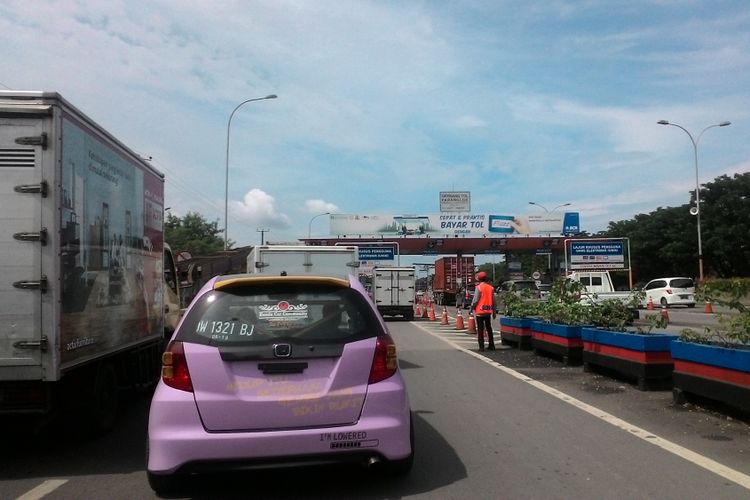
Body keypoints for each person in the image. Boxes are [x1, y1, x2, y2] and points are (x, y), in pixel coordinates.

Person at [470, 271, 497, 351]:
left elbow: (475, 300)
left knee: (480, 329)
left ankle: (481, 347)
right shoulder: (491, 288)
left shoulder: (479, 288)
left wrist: (471, 308)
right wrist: (494, 312)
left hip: (480, 312)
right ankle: (492, 345)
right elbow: (494, 301)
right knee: (489, 328)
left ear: (479, 279)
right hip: (488, 312)